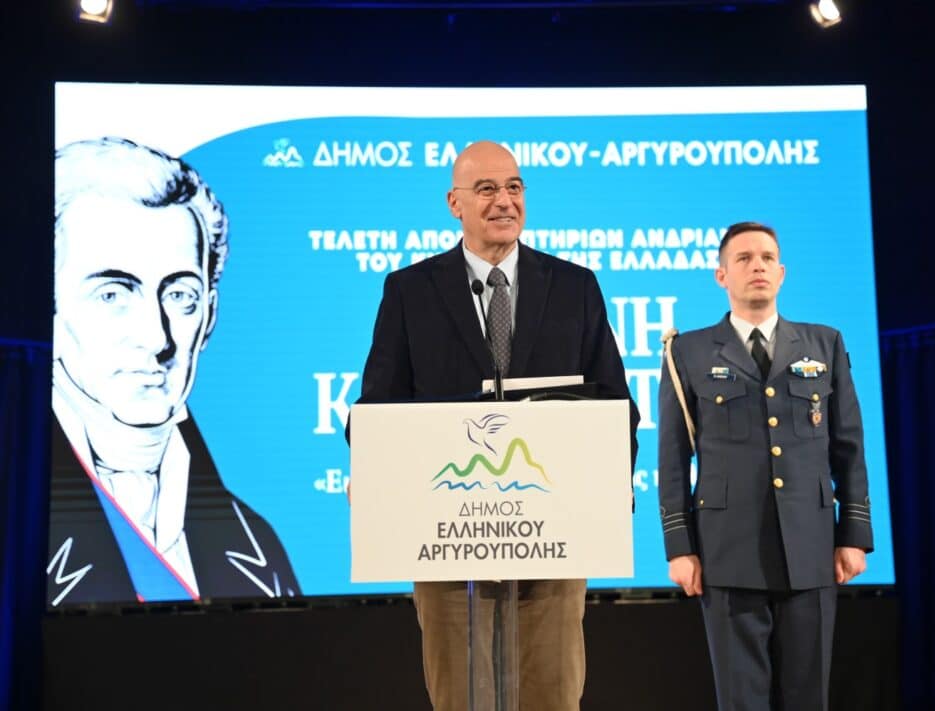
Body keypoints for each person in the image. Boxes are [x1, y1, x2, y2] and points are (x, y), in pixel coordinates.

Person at [355, 140, 638, 710]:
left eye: (514, 187)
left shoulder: (575, 286)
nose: (504, 201)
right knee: (462, 698)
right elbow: (377, 408)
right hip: (446, 538)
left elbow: (615, 404)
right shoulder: (410, 291)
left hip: (553, 532)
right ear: (454, 203)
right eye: (486, 189)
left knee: (552, 694)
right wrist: (374, 470)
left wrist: (605, 491)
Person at [48, 137, 300, 607]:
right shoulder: (20, 523)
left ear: (209, 315)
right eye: (112, 294)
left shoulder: (258, 547)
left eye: (180, 296)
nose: (157, 337)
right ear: (49, 309)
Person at [658, 221, 873, 711]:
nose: (757, 266)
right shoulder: (687, 351)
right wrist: (679, 547)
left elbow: (848, 446)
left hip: (811, 548)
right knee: (741, 700)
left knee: (807, 697)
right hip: (726, 551)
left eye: (767, 258)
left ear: (782, 272)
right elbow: (672, 457)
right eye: (744, 258)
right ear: (721, 275)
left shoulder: (824, 344)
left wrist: (854, 534)